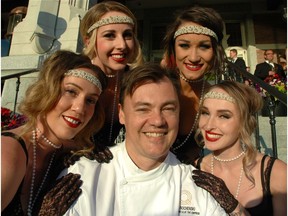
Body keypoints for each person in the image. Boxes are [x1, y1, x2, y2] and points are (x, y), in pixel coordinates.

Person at [60, 63, 241, 216]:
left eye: (168, 108)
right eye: (143, 109)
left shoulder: (198, 187)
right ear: (122, 114)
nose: (157, 121)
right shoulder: (82, 177)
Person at [1, 50, 107, 215]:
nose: (80, 108)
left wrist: (90, 148)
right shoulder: (7, 156)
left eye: (90, 100)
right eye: (71, 91)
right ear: (46, 90)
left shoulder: (63, 151)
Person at [193, 81, 287, 215]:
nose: (208, 125)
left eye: (224, 116)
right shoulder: (195, 170)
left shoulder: (277, 173)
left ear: (244, 122)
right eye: (205, 113)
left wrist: (233, 206)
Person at [161, 6, 227, 165]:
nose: (194, 57)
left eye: (204, 46)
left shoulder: (217, 98)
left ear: (215, 51)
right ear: (173, 49)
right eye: (184, 45)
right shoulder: (156, 87)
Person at [79, 1, 144, 161]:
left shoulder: (136, 81)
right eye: (109, 35)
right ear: (89, 41)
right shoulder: (74, 78)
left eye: (127, 35)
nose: (121, 45)